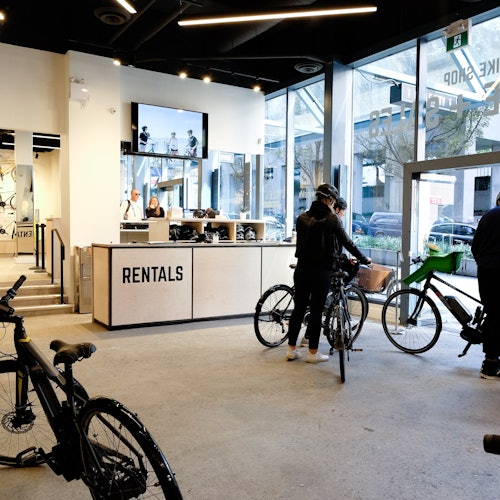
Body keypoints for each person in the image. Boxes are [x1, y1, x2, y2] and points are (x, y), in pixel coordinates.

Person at [286, 184, 371, 363]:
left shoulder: (301, 217)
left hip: (301, 269)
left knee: (298, 309)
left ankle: (291, 350)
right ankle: (312, 353)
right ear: (329, 200)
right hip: (321, 270)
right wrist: (364, 259)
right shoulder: (332, 219)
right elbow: (347, 242)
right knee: (316, 311)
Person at [471, 191, 500, 379]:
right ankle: (490, 366)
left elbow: (475, 247)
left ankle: (491, 361)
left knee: (493, 314)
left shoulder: (488, 216)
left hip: (486, 272)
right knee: (497, 317)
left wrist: (484, 263)